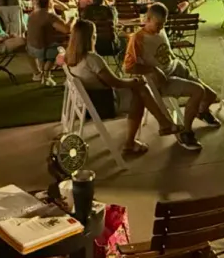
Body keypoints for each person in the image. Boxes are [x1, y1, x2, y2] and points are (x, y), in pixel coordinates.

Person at [66, 19, 182, 156]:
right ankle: (132, 142)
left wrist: (133, 82)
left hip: (86, 103)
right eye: (94, 34)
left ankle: (163, 124)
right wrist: (134, 81)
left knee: (139, 88)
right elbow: (115, 83)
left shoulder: (70, 56)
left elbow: (113, 82)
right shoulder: (92, 59)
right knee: (140, 91)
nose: (96, 37)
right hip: (102, 104)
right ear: (90, 37)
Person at [123, 2, 220, 151]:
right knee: (198, 91)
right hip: (164, 80)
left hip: (177, 68)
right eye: (158, 24)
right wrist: (153, 70)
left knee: (211, 96)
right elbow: (128, 67)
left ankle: (201, 112)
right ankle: (186, 133)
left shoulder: (159, 31)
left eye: (163, 24)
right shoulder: (137, 39)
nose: (161, 28)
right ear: (147, 19)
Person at [26, 0, 72, 86]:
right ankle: (46, 74)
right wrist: (72, 19)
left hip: (31, 49)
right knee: (65, 46)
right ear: (50, 3)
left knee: (54, 44)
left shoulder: (31, 15)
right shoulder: (49, 16)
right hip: (43, 50)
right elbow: (67, 30)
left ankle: (41, 73)